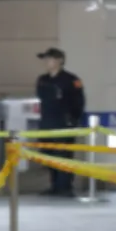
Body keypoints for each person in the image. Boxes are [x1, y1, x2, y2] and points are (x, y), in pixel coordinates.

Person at [35, 48, 86, 197]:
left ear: (59, 61)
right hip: (47, 123)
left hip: (64, 124)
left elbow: (79, 102)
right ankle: (55, 185)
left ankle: (65, 186)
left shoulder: (71, 80)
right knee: (49, 155)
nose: (46, 62)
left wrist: (73, 119)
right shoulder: (42, 80)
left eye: (49, 59)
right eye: (45, 59)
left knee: (63, 155)